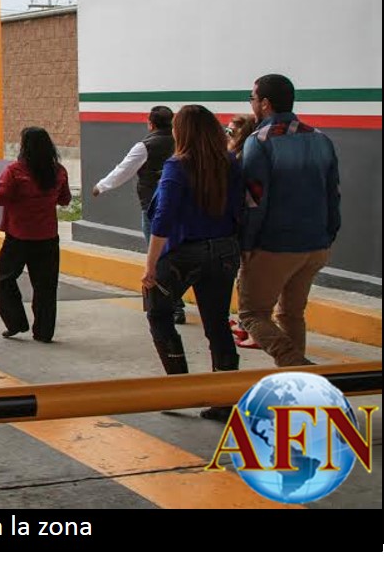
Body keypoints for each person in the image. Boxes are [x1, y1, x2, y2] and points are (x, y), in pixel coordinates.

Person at [139, 105, 244, 421]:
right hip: (225, 249)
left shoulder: (177, 165)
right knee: (217, 323)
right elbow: (241, 208)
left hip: (183, 254)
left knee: (158, 312)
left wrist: (150, 264)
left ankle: (180, 388)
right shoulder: (230, 163)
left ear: (181, 132)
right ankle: (225, 399)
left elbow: (163, 217)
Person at [238, 74, 341, 367]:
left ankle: (297, 364)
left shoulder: (259, 142)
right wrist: (328, 232)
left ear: (265, 104)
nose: (252, 104)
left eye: (253, 99)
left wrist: (246, 244)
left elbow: (254, 201)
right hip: (316, 244)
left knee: (252, 315)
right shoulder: (321, 139)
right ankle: (301, 386)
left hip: (275, 246)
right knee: (291, 314)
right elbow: (333, 193)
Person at [0, 127, 71, 343]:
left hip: (19, 236)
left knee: (6, 280)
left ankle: (16, 323)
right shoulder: (59, 171)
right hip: (48, 238)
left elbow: (0, 198)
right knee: (45, 286)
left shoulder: (15, 171)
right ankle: (44, 332)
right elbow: (65, 200)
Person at [90, 105, 186, 325]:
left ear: (150, 123)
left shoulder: (145, 146)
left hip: (154, 207)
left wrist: (101, 186)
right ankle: (175, 303)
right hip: (182, 208)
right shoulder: (180, 142)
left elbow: (123, 170)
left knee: (159, 256)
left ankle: (172, 305)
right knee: (175, 255)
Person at [225, 113, 260, 349]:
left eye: (230, 132)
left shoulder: (243, 159)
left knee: (249, 282)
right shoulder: (241, 156)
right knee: (243, 279)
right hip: (244, 227)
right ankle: (245, 324)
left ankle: (254, 330)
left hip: (248, 228)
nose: (227, 136)